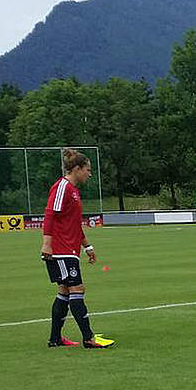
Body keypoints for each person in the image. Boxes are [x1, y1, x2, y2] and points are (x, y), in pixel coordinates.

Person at [41, 148, 113, 349]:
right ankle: (88, 338)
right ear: (77, 168)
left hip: (69, 249)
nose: (89, 174)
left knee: (64, 290)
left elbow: (73, 224)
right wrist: (47, 243)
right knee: (77, 289)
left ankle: (55, 339)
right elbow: (50, 214)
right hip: (60, 250)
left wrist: (86, 246)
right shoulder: (62, 187)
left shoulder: (73, 191)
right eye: (87, 170)